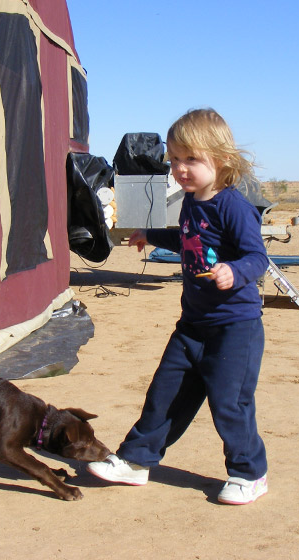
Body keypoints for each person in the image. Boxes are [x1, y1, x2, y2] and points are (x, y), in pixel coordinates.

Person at [87, 108, 270, 505]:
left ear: (220, 160)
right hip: (192, 325)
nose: (180, 169)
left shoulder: (233, 207)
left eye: (191, 159)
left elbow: (258, 257)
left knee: (229, 402)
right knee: (164, 394)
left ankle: (249, 473)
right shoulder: (191, 202)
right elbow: (187, 239)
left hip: (234, 329)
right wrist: (150, 234)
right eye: (175, 160)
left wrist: (234, 271)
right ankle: (136, 461)